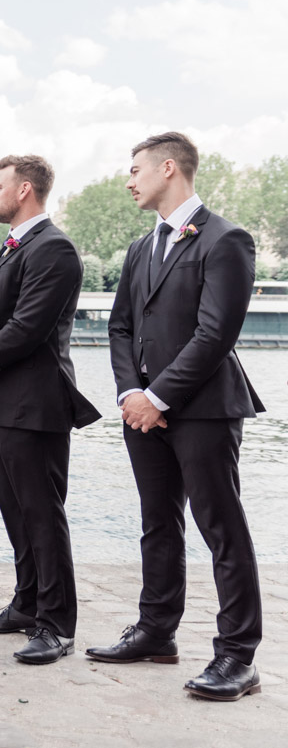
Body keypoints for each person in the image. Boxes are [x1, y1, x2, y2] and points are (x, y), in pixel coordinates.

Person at [88, 132, 265, 702]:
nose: (128, 179)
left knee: (222, 529)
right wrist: (129, 394)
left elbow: (216, 334)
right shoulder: (141, 248)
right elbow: (118, 327)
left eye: (135, 168)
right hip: (141, 412)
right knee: (157, 522)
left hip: (205, 410)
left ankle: (238, 656)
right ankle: (156, 632)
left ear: (169, 168)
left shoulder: (226, 239)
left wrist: (157, 396)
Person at [0, 155, 101, 665]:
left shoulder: (54, 249)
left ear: (25, 190)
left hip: (36, 404)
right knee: (15, 510)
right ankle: (26, 603)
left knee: (42, 514)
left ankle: (57, 624)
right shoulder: (14, 245)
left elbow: (28, 326)